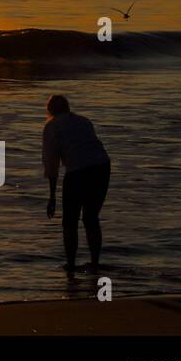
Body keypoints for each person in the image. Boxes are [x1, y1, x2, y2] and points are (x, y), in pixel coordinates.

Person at [42, 94, 111, 273]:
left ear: (49, 111)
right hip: (101, 167)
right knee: (91, 218)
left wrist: (52, 197)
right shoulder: (83, 121)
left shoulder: (51, 126)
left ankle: (71, 265)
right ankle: (95, 262)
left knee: (70, 221)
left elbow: (52, 164)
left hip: (78, 171)